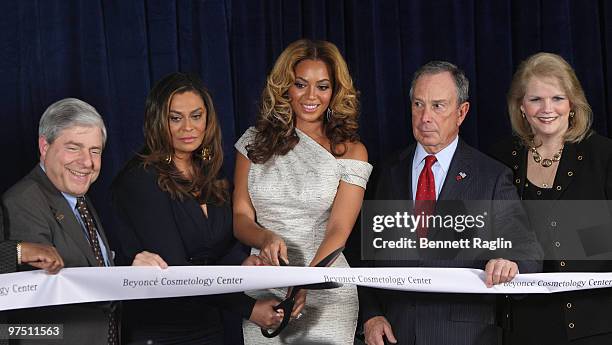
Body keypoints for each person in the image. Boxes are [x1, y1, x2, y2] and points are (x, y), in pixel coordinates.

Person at [359, 61, 542, 345]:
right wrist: (371, 315)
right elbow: (362, 257)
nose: (425, 117)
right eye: (418, 104)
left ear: (461, 112)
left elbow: (528, 254)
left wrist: (510, 263)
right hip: (394, 334)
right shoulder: (386, 172)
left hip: (465, 336)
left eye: (438, 106)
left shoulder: (491, 177)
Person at [110, 72, 282, 345]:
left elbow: (214, 252)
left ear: (208, 119)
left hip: (209, 327)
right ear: (157, 122)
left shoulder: (210, 174)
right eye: (175, 118)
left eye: (196, 116)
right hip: (161, 332)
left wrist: (243, 265)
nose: (187, 127)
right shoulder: (140, 179)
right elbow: (177, 271)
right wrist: (249, 308)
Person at [234, 39, 372, 344]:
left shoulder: (352, 151)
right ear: (285, 87)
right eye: (300, 84)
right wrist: (264, 238)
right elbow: (241, 217)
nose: (311, 96)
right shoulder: (252, 143)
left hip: (326, 290)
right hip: (265, 286)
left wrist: (305, 281)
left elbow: (339, 229)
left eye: (322, 86)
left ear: (335, 92)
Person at [489, 52, 612, 345]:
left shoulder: (604, 155)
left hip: (594, 324)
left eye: (557, 98)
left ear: (572, 104)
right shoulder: (501, 159)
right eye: (535, 100)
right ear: (521, 106)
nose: (547, 109)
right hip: (523, 325)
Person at [1, 98, 131, 345]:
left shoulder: (76, 196)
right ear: (44, 146)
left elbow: (91, 268)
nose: (87, 162)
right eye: (74, 148)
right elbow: (38, 298)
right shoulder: (23, 201)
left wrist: (135, 273)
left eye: (95, 151)